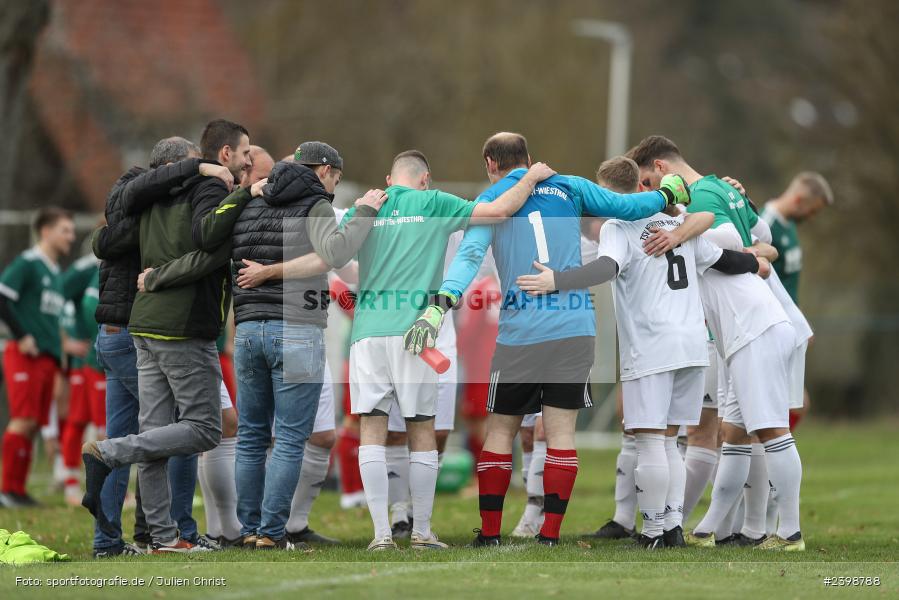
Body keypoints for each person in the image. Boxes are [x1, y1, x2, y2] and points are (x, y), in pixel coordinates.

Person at [412, 132, 691, 547]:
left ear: (490, 163)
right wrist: (666, 191)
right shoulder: (571, 186)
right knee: (560, 433)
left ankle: (489, 534)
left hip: (520, 333)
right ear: (529, 157)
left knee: (501, 433)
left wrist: (442, 301)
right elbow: (629, 205)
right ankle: (550, 535)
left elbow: (469, 257)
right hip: (574, 330)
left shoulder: (490, 204)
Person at [516, 156, 766, 548]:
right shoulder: (677, 221)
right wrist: (758, 260)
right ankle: (672, 528)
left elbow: (606, 268)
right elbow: (723, 260)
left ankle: (652, 530)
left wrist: (557, 281)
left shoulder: (619, 224)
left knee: (650, 440)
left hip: (652, 345)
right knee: (669, 442)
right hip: (693, 345)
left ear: (609, 192)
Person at [348, 149, 555, 551]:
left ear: (390, 181)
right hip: (416, 331)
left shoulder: (366, 208)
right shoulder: (434, 202)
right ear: (425, 179)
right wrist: (529, 180)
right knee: (422, 428)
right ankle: (422, 532)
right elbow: (496, 212)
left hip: (367, 332)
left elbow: (335, 256)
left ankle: (381, 534)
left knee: (372, 429)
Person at [628, 135, 805, 551]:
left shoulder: (703, 197)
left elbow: (718, 230)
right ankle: (709, 529)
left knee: (771, 430)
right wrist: (752, 253)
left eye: (649, 184)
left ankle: (790, 531)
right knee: (734, 432)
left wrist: (678, 233)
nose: (648, 195)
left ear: (661, 168)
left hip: (754, 326)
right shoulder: (719, 189)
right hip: (748, 326)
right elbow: (764, 248)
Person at [81, 120, 250, 554]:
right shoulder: (154, 192)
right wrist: (214, 178)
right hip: (163, 328)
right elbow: (205, 247)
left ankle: (156, 538)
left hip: (136, 327)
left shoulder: (147, 200)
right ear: (174, 167)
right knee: (199, 429)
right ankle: (122, 467)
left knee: (154, 434)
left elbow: (106, 236)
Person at [0, 207, 79, 508]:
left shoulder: (55, 272)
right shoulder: (28, 263)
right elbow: (3, 297)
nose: (71, 237)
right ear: (45, 231)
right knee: (22, 420)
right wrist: (21, 336)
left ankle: (17, 491)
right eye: (65, 230)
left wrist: (61, 352)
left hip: (47, 359)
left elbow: (53, 320)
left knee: (33, 423)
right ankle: (7, 489)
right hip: (25, 356)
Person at [760, 172, 832, 429]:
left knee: (796, 401)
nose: (811, 218)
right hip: (769, 327)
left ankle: (772, 456)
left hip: (788, 327)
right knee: (782, 403)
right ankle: (768, 455)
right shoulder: (765, 224)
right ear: (799, 199)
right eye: (812, 211)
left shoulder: (789, 226)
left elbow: (787, 285)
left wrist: (798, 321)